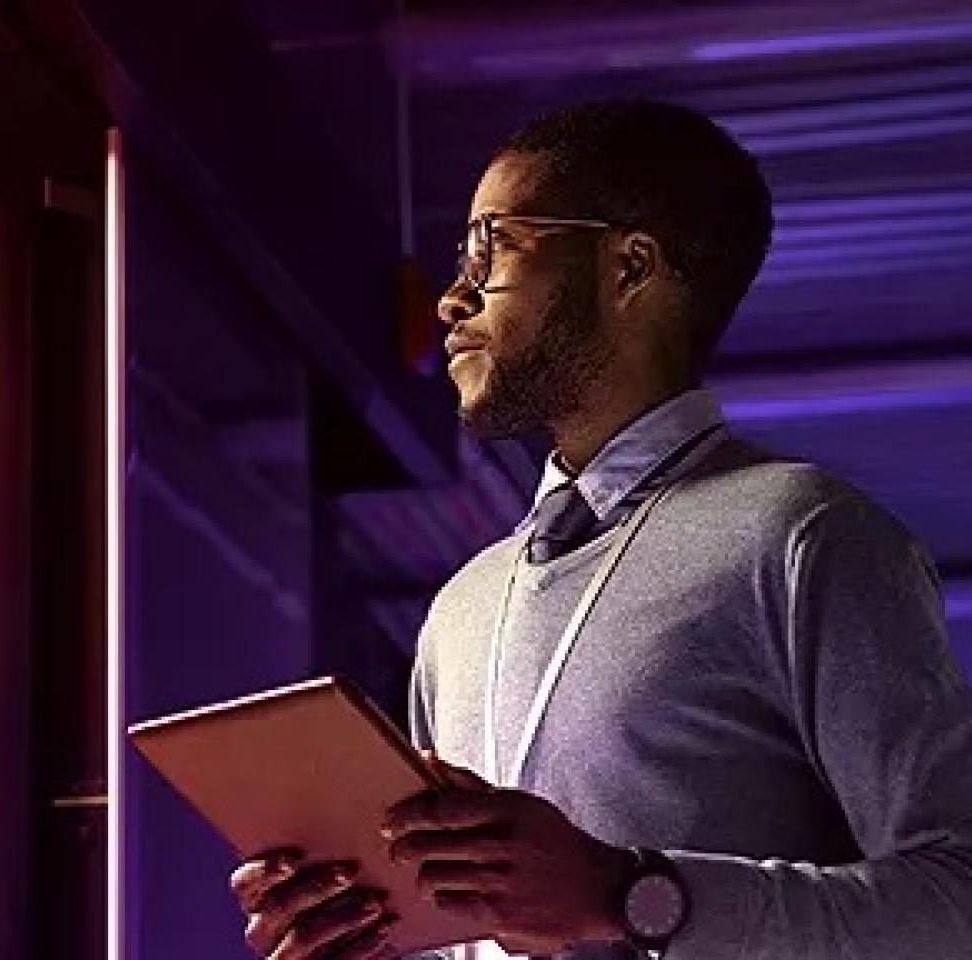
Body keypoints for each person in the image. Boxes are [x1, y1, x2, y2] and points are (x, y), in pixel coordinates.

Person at [229, 99, 972, 960]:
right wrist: (360, 934)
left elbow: (956, 898)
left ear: (628, 266)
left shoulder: (805, 537)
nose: (449, 298)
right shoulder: (460, 609)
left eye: (489, 248)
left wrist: (630, 894)